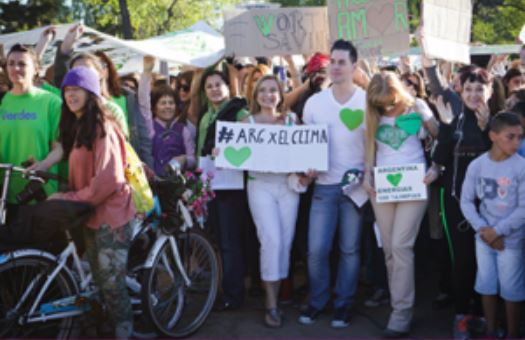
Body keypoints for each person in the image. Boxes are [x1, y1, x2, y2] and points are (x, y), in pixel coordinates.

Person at [53, 66, 135, 338]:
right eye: (66, 90)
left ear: (91, 93)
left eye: (76, 89)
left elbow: (109, 179)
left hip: (112, 216)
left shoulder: (103, 128)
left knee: (112, 284)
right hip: (90, 213)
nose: (70, 95)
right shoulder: (79, 127)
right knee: (100, 282)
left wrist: (69, 197)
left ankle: (125, 332)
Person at [363, 72, 438, 337]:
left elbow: (440, 139)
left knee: (400, 245)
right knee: (389, 251)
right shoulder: (372, 113)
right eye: (381, 103)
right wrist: (366, 175)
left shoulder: (417, 107)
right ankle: (399, 306)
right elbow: (369, 149)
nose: (387, 107)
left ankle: (401, 313)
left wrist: (436, 168)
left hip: (415, 184)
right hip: (382, 187)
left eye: (391, 101)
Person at [298, 39, 367, 328]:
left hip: (356, 187)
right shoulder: (314, 103)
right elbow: (305, 145)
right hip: (323, 187)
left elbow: (374, 143)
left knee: (350, 250)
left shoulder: (366, 101)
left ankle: (343, 305)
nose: (336, 67)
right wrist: (306, 167)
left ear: (354, 66)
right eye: (333, 62)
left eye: (341, 62)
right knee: (316, 250)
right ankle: (318, 300)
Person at [460, 112, 525, 338]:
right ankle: (490, 330)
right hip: (484, 238)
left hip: (511, 240)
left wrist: (498, 232)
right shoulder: (477, 165)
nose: (517, 142)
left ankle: (513, 333)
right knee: (486, 284)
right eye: (511, 137)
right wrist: (484, 230)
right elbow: (466, 201)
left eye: (520, 137)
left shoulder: (521, 166)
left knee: (512, 289)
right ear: (493, 136)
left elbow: (523, 209)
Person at [243, 74, 300, 327]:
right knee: (271, 240)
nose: (268, 95)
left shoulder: (291, 120)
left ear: (280, 94)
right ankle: (271, 304)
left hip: (287, 186)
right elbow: (234, 154)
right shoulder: (247, 122)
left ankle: (278, 294)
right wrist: (219, 152)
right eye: (263, 90)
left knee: (285, 243)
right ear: (256, 95)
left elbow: (304, 151)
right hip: (260, 185)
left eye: (273, 90)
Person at [198, 69, 248, 310]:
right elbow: (201, 152)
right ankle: (224, 290)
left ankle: (234, 295)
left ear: (228, 87)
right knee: (218, 240)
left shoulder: (239, 112)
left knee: (230, 242)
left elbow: (250, 141)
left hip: (231, 186)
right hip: (211, 185)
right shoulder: (205, 118)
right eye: (209, 86)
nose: (215, 89)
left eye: (219, 84)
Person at [0, 44, 62, 220]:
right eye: (11, 63)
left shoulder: (51, 102)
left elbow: (61, 147)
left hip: (40, 191)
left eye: (22, 64)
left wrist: (44, 165)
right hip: (5, 193)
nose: (15, 68)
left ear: (36, 69)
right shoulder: (2, 101)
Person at [149, 85, 195, 175]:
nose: (168, 106)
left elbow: (193, 161)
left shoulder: (183, 130)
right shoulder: (149, 128)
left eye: (171, 103)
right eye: (163, 103)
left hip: (179, 183)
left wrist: (184, 159)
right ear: (154, 107)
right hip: (154, 182)